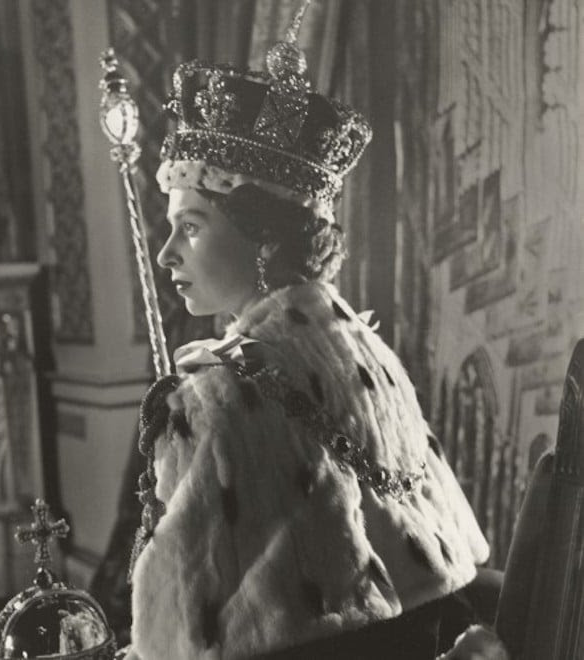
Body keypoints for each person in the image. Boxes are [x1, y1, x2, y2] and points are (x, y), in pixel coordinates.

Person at [119, 11, 509, 660]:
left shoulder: (217, 395)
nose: (165, 255)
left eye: (189, 227)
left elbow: (173, 634)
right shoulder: (370, 350)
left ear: (262, 233)